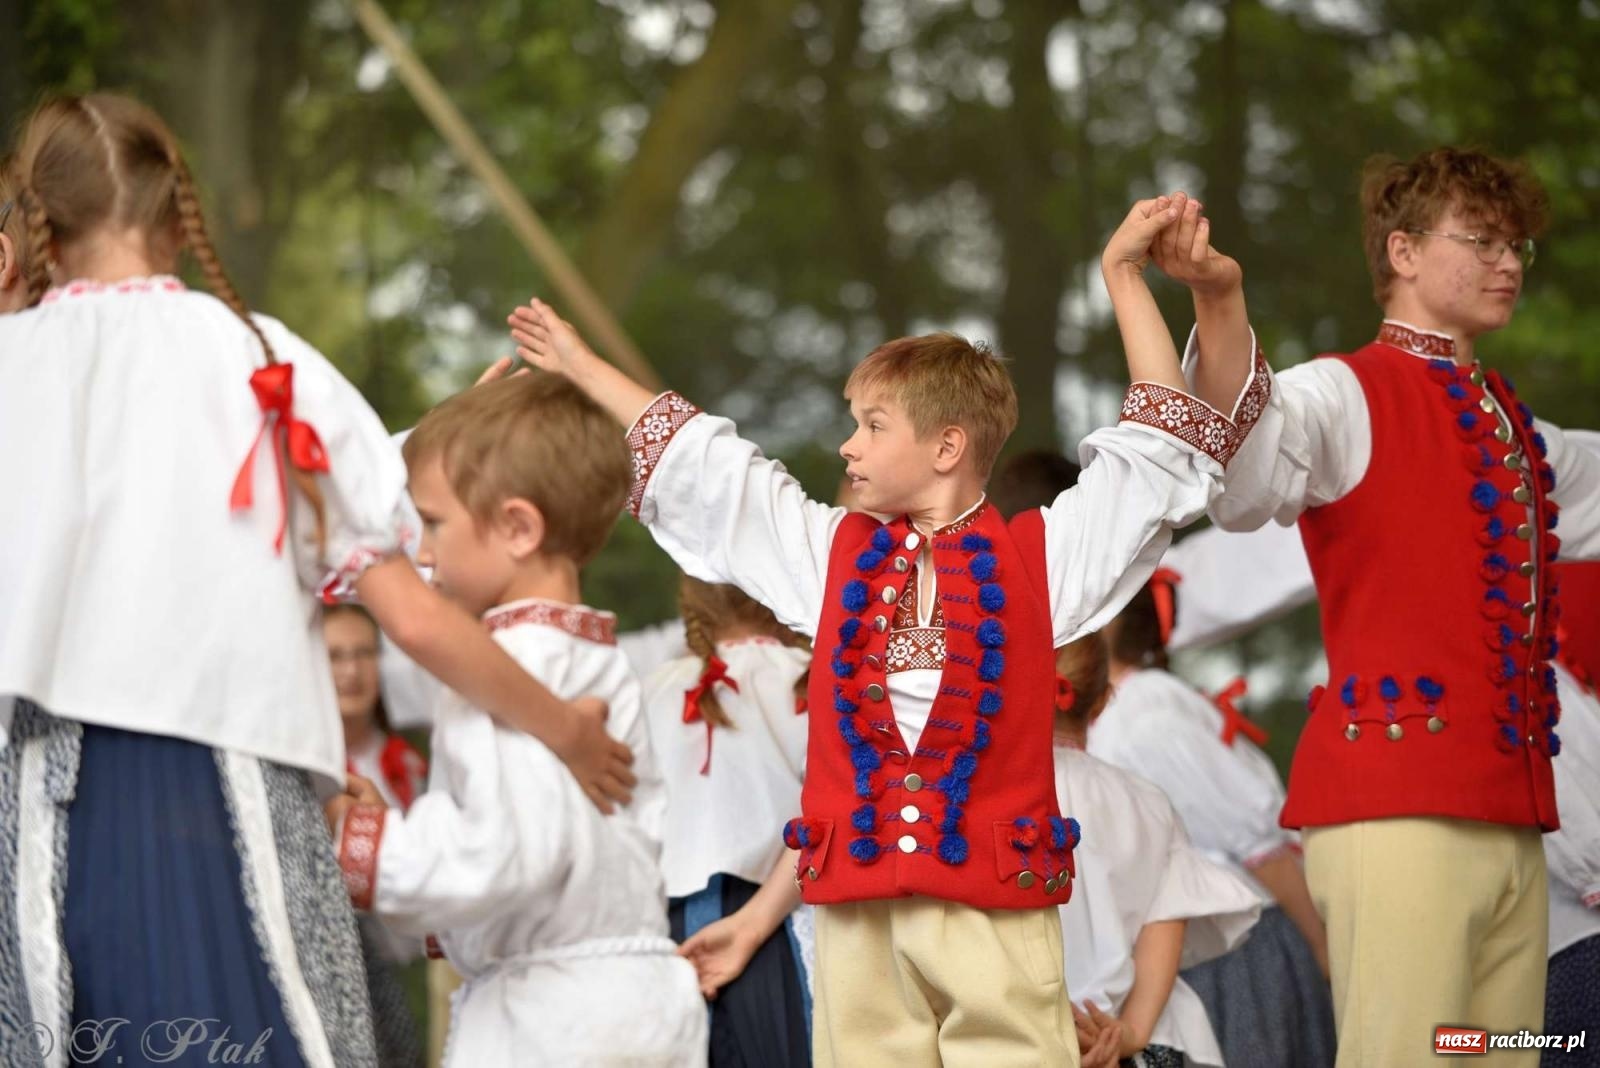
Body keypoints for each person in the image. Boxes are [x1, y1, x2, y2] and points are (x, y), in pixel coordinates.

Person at [510, 192, 1268, 1066]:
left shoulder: (1038, 560)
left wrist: (1124, 278)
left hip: (995, 912)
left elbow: (1154, 455)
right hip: (858, 918)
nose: (847, 447)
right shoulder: (831, 556)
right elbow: (708, 467)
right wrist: (580, 366)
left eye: (871, 426)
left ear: (947, 447)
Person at [0, 92, 628, 1068]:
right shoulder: (259, 360)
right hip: (221, 790)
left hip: (32, 810)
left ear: (37, 222)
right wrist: (567, 727)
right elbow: (413, 620)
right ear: (178, 216)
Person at [1184, 146, 1600, 1065]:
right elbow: (1243, 477)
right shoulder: (1342, 390)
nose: (1507, 263)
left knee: (1502, 1056)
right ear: (1402, 252)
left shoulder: (1514, 427)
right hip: (1397, 814)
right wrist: (1219, 303)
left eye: (1518, 247)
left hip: (1513, 827)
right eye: (1482, 239)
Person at [329, 372, 706, 1065]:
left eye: (433, 523)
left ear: (517, 527)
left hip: (554, 1023)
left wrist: (365, 846)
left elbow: (502, 859)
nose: (424, 551)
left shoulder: (511, 667)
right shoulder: (582, 652)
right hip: (621, 1004)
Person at [1052, 632, 1260, 1068]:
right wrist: (1129, 1032)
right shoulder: (1145, 801)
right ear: (1104, 699)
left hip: (1023, 1041)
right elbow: (1165, 921)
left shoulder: (980, 801)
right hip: (1141, 1042)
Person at [643, 576, 814, 1066]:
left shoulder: (652, 688)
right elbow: (830, 815)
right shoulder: (808, 678)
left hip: (667, 934)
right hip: (781, 914)